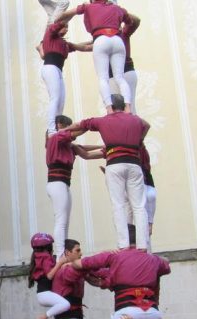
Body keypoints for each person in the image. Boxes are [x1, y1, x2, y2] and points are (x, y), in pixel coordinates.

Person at [69, 228, 170, 319]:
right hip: (152, 313)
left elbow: (78, 264)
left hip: (127, 311)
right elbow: (166, 264)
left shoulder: (114, 256)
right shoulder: (153, 259)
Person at [64, 94, 151, 250]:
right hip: (133, 164)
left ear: (109, 105)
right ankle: (142, 244)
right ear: (124, 106)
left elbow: (80, 124)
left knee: (118, 205)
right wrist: (139, 140)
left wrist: (62, 131)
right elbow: (147, 125)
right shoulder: (135, 120)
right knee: (139, 206)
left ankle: (123, 244)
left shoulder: (103, 120)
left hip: (114, 164)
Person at [56, 0, 139, 113]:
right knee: (119, 82)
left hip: (120, 63)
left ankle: (110, 109)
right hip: (117, 55)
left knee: (103, 79)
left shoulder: (90, 8)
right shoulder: (117, 17)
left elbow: (136, 21)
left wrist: (55, 22)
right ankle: (127, 108)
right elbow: (87, 47)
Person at [45, 114, 104, 257]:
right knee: (61, 220)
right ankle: (60, 255)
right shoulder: (55, 138)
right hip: (57, 182)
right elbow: (73, 133)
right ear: (59, 126)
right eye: (67, 127)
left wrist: (103, 147)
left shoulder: (67, 145)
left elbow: (83, 149)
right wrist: (88, 124)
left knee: (65, 220)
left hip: (63, 183)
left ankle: (63, 252)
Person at [38, 24, 91, 135]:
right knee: (55, 98)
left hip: (57, 70)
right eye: (64, 27)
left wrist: (94, 41)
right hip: (50, 67)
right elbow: (56, 22)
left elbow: (81, 46)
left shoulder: (63, 44)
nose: (66, 30)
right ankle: (52, 129)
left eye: (67, 28)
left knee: (61, 101)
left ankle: (57, 127)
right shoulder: (50, 36)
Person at [30, 236, 83, 319]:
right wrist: (61, 263)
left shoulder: (39, 258)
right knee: (65, 304)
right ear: (48, 247)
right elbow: (50, 275)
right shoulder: (45, 257)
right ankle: (43, 318)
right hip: (44, 294)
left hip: (43, 294)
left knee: (62, 305)